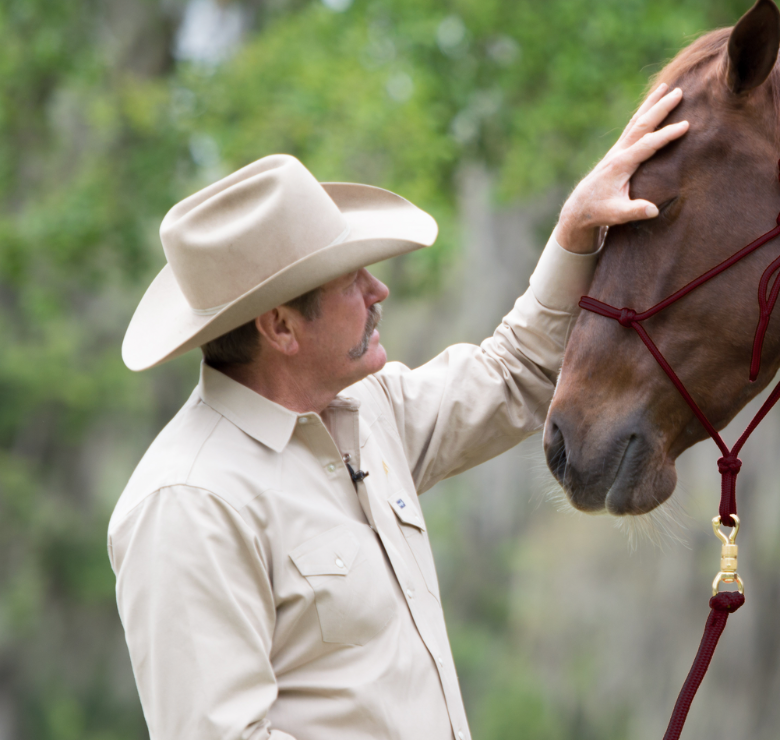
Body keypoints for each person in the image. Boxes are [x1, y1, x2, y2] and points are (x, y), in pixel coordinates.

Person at [107, 84, 688, 740]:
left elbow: (514, 372)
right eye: (351, 280)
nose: (378, 289)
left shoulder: (366, 411)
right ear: (280, 327)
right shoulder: (188, 502)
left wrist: (574, 231)